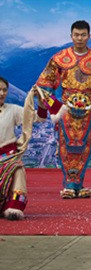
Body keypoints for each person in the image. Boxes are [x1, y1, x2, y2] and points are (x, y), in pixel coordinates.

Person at [35, 20, 91, 199]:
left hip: (88, 110)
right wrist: (53, 106)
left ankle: (79, 183)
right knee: (65, 144)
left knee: (85, 145)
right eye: (76, 35)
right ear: (71, 36)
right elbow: (44, 84)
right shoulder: (59, 57)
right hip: (66, 109)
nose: (80, 38)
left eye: (83, 35)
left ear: (89, 36)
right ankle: (69, 183)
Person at [0, 78, 37, 220]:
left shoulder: (13, 110)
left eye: (4, 90)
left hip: (7, 156)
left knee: (18, 169)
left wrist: (40, 102)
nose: (2, 93)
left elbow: (34, 118)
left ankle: (14, 207)